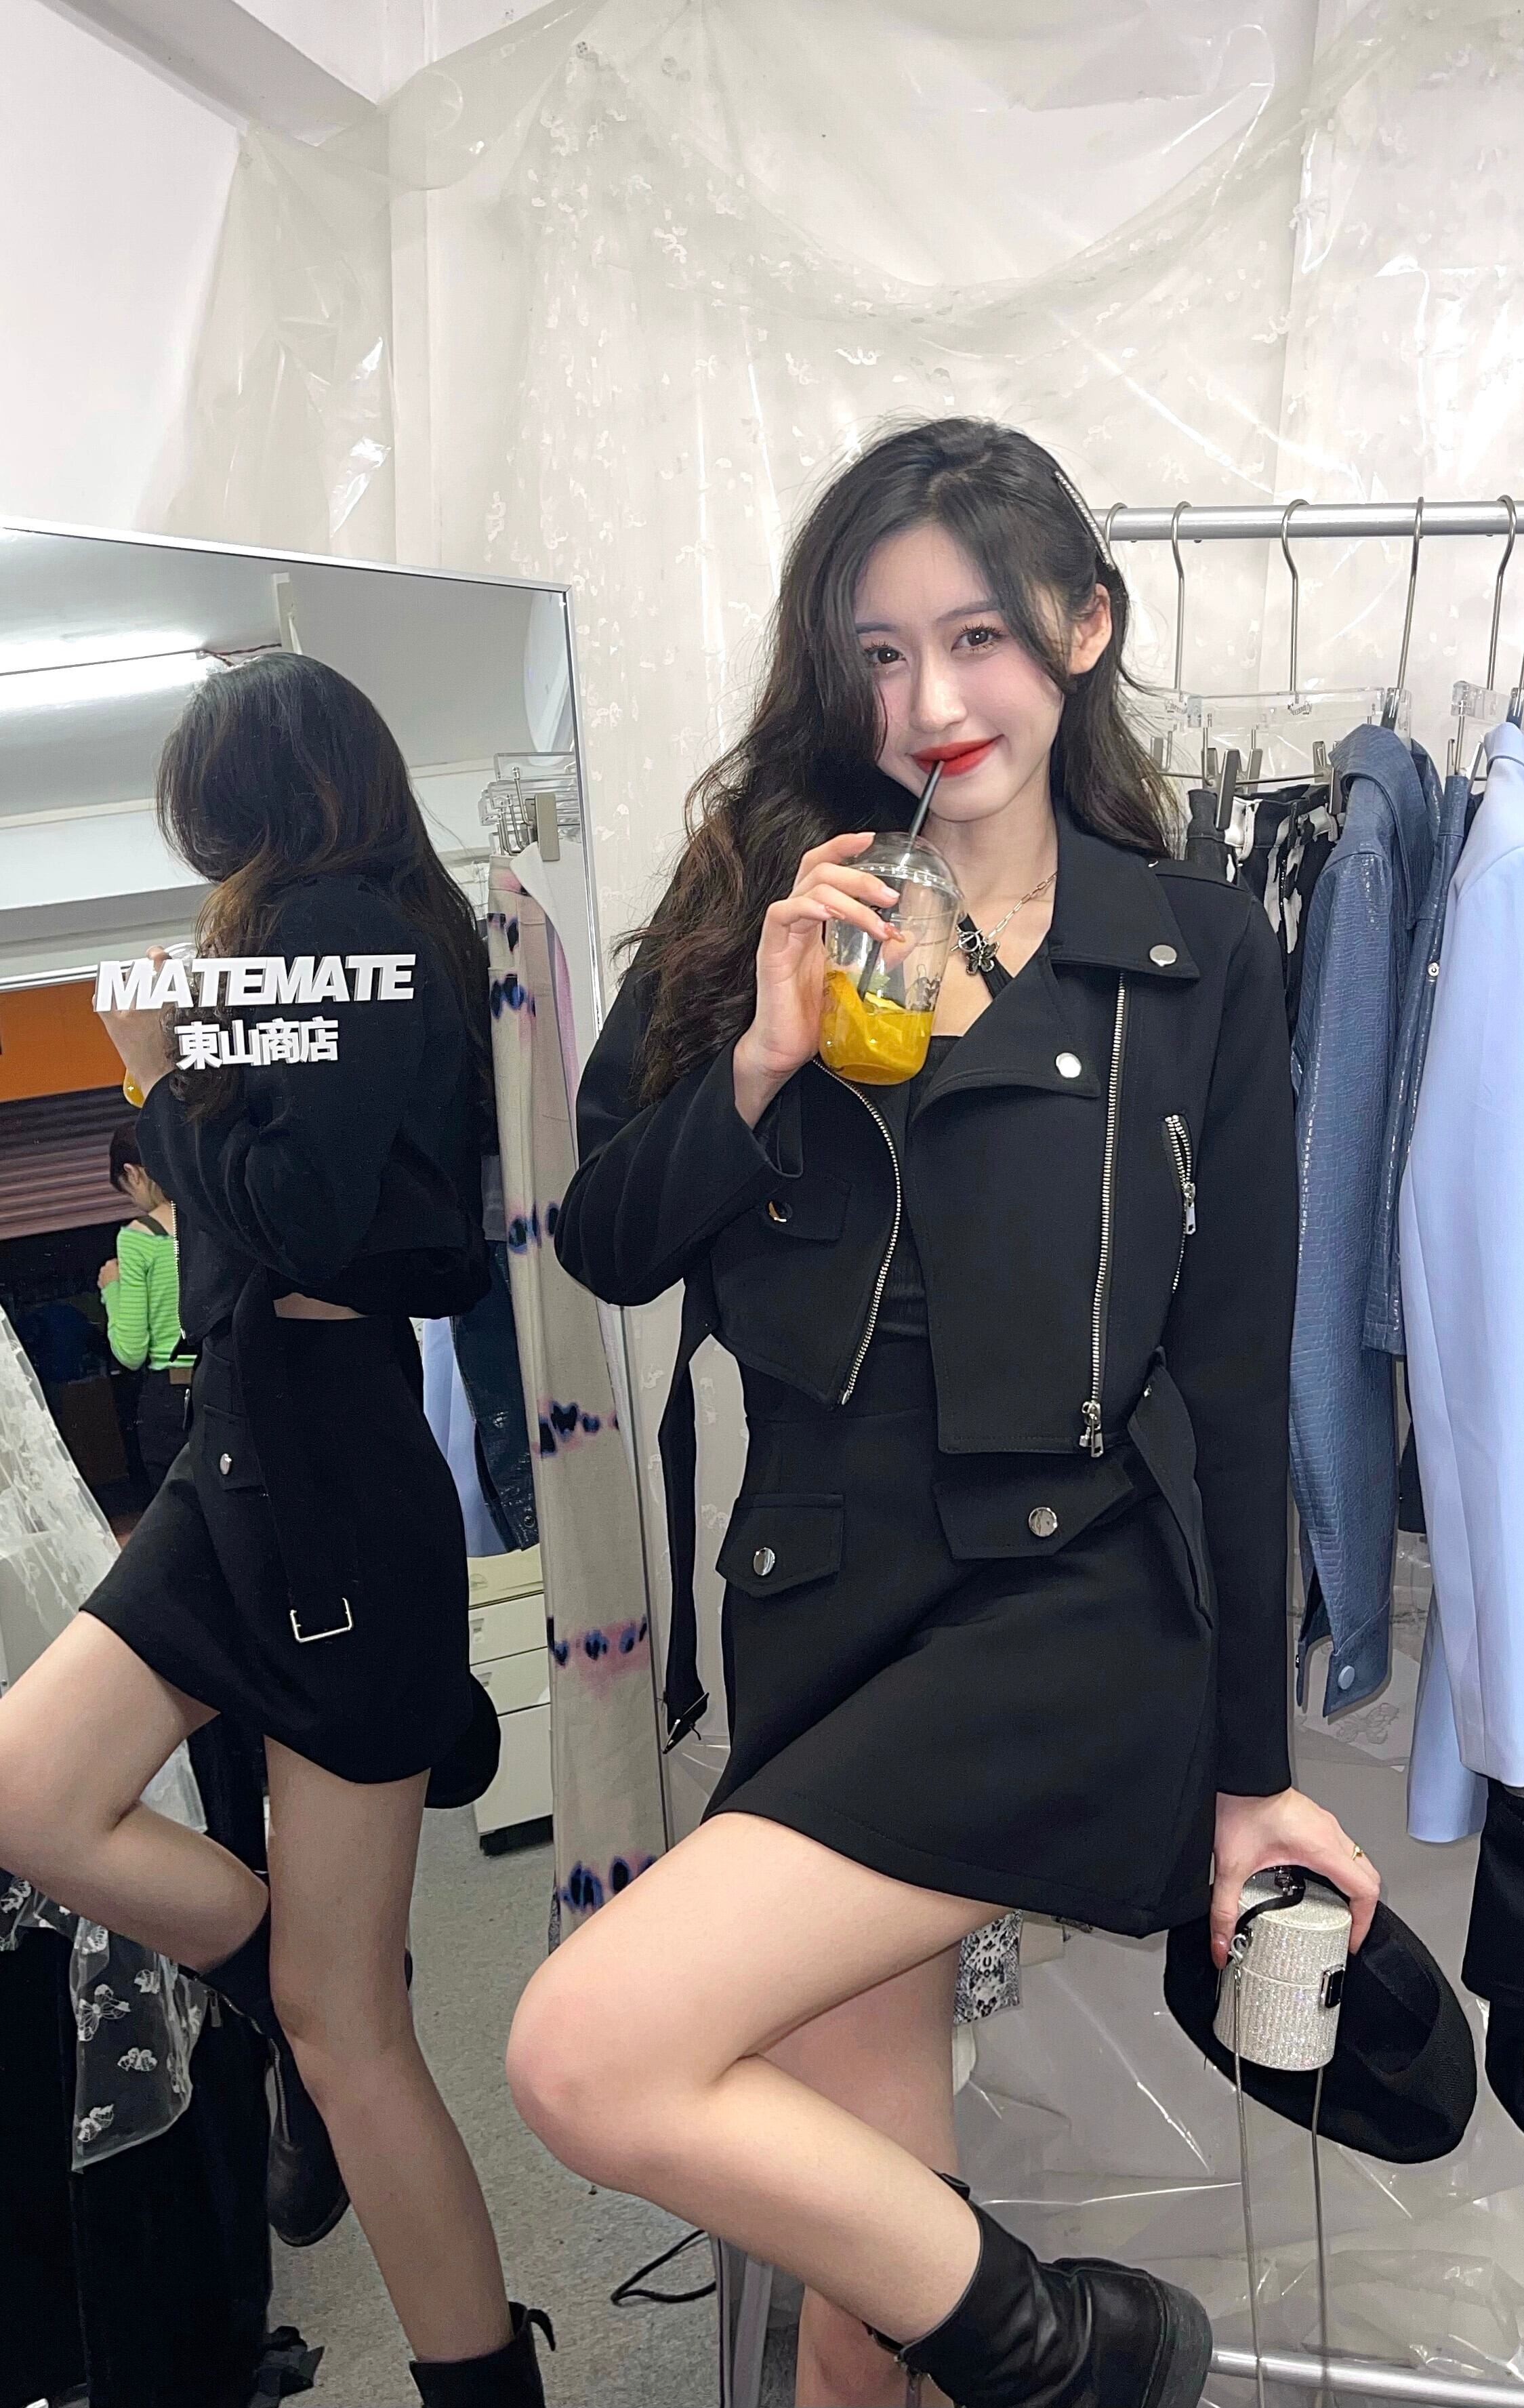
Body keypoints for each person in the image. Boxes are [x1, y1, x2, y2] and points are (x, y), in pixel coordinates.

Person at [508, 417, 1381, 2408]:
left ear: (1082, 628)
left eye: (976, 636)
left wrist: (1250, 1772)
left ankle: (1054, 2346)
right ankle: (1002, 2330)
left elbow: (1234, 1381)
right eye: (880, 654)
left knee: (582, 2046)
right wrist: (758, 1057)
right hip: (820, 1596)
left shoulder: (1190, 952)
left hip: (1066, 1609)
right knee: (859, 2256)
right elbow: (608, 1242)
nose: (928, 703)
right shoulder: (763, 905)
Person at [0, 654, 551, 2405]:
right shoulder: (347, 938)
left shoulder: (334, 925)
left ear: (256, 795)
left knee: (354, 2032)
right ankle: (285, 1987)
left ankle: (478, 2370)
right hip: (249, 1456)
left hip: (314, 1469)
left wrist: (159, 1080)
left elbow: (303, 1219)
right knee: (36, 1795)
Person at [98, 1120, 195, 1495]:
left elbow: (130, 1351)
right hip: (229, 1383)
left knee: (183, 1515)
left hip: (172, 1397)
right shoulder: (212, 1217)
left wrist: (112, 1287)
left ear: (133, 1173)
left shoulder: (139, 1237)